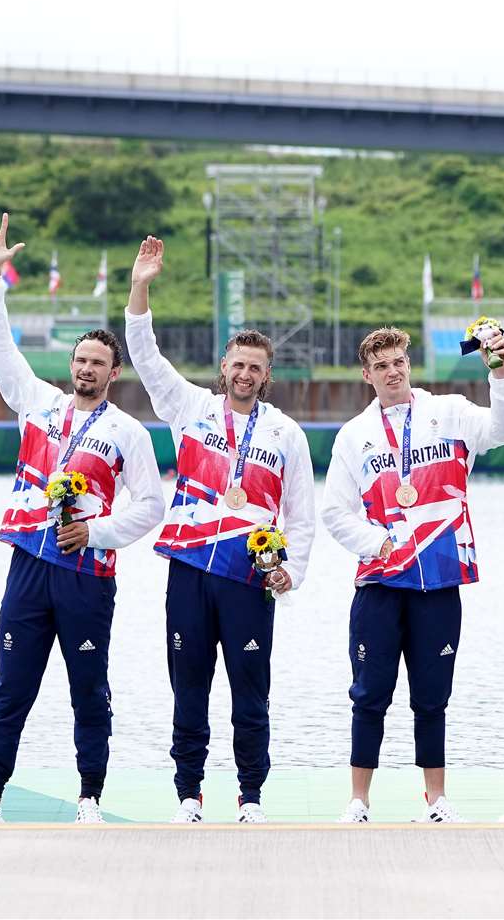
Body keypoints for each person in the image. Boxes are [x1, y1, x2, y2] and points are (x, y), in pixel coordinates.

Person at [0, 211, 164, 825]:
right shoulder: (36, 402)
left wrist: (96, 531)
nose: (86, 369)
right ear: (71, 365)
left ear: (114, 372)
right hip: (29, 564)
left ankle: (88, 799)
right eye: (80, 360)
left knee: (89, 690)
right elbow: (0, 347)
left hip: (85, 573)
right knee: (10, 688)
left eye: (99, 362)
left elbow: (152, 507)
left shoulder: (129, 433)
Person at [126, 235, 315, 824]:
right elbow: (145, 356)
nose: (244, 374)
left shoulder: (287, 433)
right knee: (189, 689)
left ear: (267, 376)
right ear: (223, 369)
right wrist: (140, 287)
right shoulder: (189, 408)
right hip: (189, 571)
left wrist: (293, 572)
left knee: (250, 694)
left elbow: (302, 516)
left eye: (255, 367)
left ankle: (251, 797)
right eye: (237, 364)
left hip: (247, 578)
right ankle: (189, 795)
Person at [322, 325, 504, 824]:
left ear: (408, 365)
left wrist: (501, 373)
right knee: (369, 694)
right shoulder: (354, 435)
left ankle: (437, 801)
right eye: (382, 366)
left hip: (438, 576)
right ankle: (358, 801)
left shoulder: (450, 411)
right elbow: (335, 512)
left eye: (399, 363)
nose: (393, 372)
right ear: (367, 375)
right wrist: (378, 543)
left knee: (432, 696)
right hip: (381, 582)